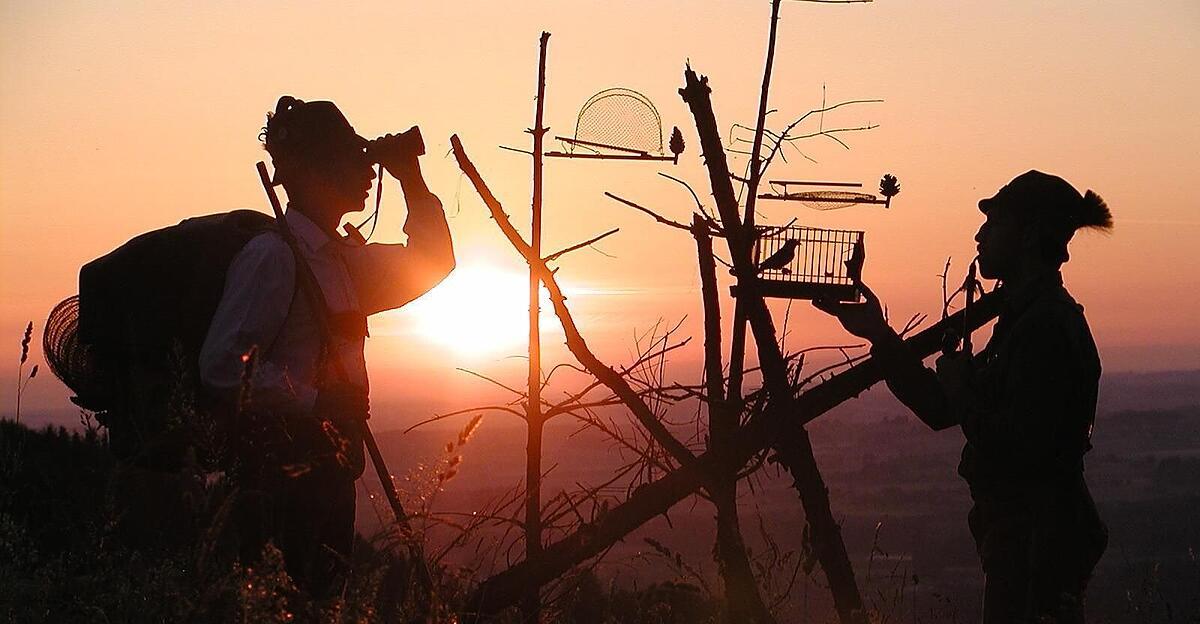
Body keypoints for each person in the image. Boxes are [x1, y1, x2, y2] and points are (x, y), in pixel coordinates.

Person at [814, 170, 1112, 622]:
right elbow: (940, 407)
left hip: (1038, 549)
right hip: (1024, 541)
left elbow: (1020, 446)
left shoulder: (1046, 328)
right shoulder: (1024, 319)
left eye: (994, 224)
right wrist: (878, 333)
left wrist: (959, 388)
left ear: (1028, 235)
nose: (979, 235)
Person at [198, 96, 454, 595]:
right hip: (278, 483)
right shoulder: (273, 256)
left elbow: (432, 261)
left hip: (331, 476)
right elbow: (222, 365)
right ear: (314, 171)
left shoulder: (340, 261)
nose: (366, 172)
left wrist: (413, 182)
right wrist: (315, 401)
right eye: (349, 158)